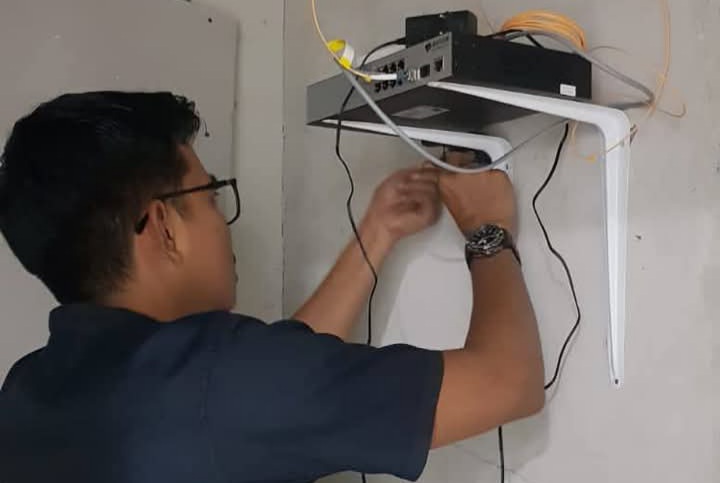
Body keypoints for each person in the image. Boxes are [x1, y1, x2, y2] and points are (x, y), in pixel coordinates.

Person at [0, 92, 544, 483]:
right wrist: (488, 232)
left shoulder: (27, 393)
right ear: (164, 228)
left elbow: (276, 387)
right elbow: (507, 384)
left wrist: (377, 233)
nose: (221, 219)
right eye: (210, 196)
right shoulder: (230, 386)